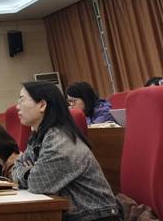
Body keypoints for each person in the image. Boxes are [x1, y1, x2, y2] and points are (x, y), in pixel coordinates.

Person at [12, 81, 121, 221]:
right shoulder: (40, 136)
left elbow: (37, 184)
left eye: (22, 99)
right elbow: (16, 167)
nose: (17, 106)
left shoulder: (60, 140)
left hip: (96, 217)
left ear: (42, 105)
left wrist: (28, 172)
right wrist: (30, 172)